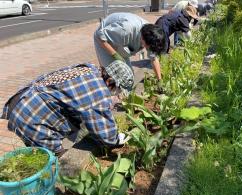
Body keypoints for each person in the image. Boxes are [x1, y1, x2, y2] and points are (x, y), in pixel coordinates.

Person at [1, 61, 133, 157]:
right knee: (56, 157)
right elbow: (103, 128)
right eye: (117, 89)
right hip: (30, 114)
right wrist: (115, 139)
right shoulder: (98, 91)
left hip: (23, 99)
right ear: (110, 81)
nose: (115, 93)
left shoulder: (90, 69)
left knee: (40, 151)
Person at [94, 12, 166, 81]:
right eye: (147, 47)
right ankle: (105, 90)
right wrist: (115, 55)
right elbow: (99, 35)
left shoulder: (151, 36)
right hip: (104, 40)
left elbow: (153, 59)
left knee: (129, 76)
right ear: (143, 39)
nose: (148, 49)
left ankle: (123, 92)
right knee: (112, 76)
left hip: (120, 42)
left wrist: (159, 79)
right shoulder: (125, 29)